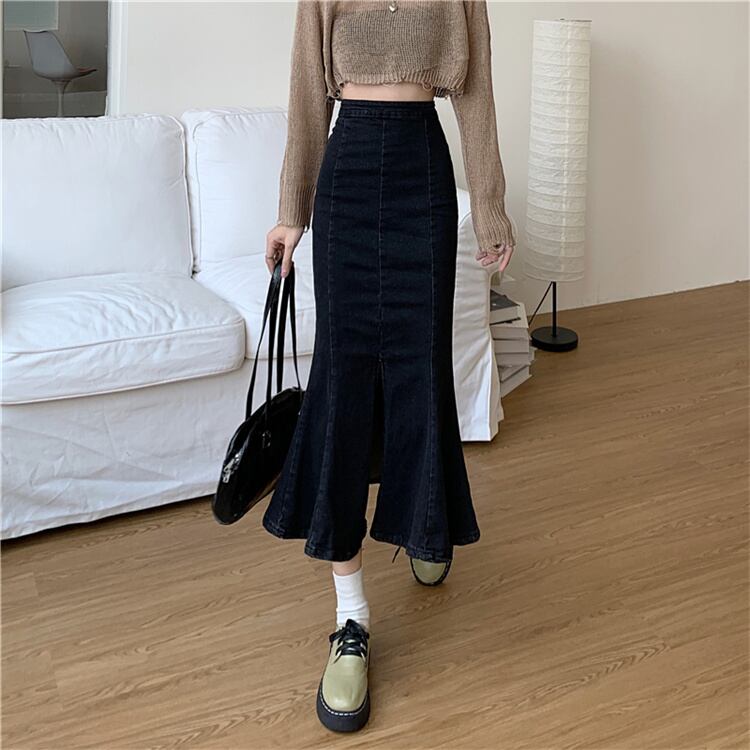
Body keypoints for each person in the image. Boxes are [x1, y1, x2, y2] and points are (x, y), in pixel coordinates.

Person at [262, 0, 515, 733]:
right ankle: (351, 618)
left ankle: (423, 519)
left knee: (421, 370)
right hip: (347, 179)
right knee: (342, 387)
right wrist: (292, 210)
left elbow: (477, 90)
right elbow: (307, 92)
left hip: (421, 177)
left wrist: (490, 207)